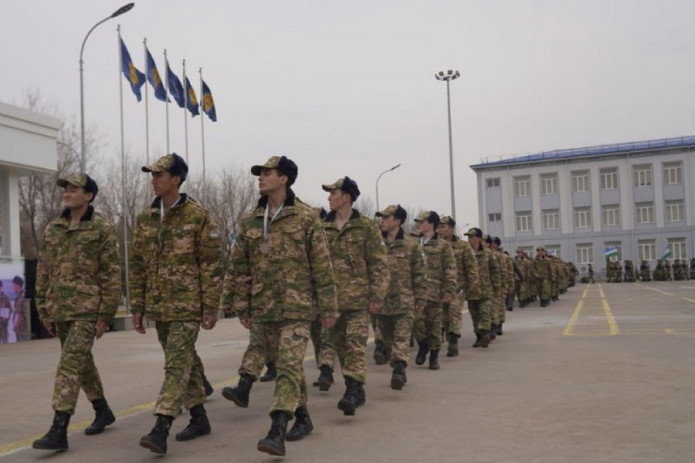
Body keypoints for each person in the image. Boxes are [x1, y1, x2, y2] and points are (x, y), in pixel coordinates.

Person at [222, 155, 338, 456]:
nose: (260, 177)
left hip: (298, 308)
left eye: (267, 172)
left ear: (284, 178)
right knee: (290, 369)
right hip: (264, 308)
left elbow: (322, 265)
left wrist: (328, 307)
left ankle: (276, 429)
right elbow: (239, 266)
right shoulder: (250, 219)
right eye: (259, 173)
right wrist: (239, 305)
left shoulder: (306, 216)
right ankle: (303, 417)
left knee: (287, 368)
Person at [130, 153, 223, 455]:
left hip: (187, 305)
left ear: (177, 179)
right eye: (152, 175)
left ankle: (161, 426)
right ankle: (199, 418)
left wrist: (210, 307)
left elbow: (211, 264)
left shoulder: (198, 216)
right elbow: (137, 265)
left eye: (160, 175)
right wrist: (138, 306)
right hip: (159, 306)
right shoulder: (145, 218)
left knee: (175, 365)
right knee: (186, 362)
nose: (154, 180)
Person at [32, 174, 121, 451]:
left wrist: (106, 315)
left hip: (87, 311)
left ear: (89, 196)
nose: (67, 193)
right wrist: (43, 309)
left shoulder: (102, 228)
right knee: (82, 365)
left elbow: (111, 274)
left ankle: (59, 428)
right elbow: (44, 270)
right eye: (66, 189)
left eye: (74, 189)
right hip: (60, 310)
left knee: (69, 365)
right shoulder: (53, 229)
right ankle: (102, 409)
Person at [317, 176, 389, 415]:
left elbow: (379, 265)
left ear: (346, 197)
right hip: (331, 302)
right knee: (340, 348)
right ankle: (355, 388)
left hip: (359, 301)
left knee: (356, 345)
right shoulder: (322, 228)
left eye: (333, 193)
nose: (329, 197)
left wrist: (377, 296)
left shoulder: (366, 227)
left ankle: (353, 390)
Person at [375, 205, 425, 389]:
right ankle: (396, 363)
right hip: (381, 303)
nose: (382, 221)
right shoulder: (375, 244)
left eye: (386, 218)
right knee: (388, 341)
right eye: (381, 218)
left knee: (402, 338)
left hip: (404, 302)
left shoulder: (410, 245)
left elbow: (419, 273)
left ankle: (399, 369)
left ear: (397, 221)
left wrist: (421, 299)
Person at [413, 211, 457, 369]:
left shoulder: (442, 245)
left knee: (434, 325)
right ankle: (423, 344)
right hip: (415, 292)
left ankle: (434, 355)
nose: (419, 224)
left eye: (422, 222)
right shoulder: (413, 242)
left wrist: (449, 291)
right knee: (415, 321)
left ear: (431, 224)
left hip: (434, 291)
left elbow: (450, 269)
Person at [437, 215, 480, 356]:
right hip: (439, 288)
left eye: (443, 227)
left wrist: (473, 285)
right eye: (439, 227)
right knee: (443, 316)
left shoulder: (463, 246)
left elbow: (472, 267)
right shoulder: (435, 245)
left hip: (458, 287)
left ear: (451, 228)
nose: (440, 230)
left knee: (454, 311)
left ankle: (454, 341)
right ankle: (450, 338)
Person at [464, 228, 497, 348]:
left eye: (472, 237)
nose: (470, 240)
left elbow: (494, 270)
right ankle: (478, 336)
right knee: (475, 316)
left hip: (485, 289)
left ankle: (485, 333)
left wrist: (496, 286)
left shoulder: (488, 253)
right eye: (468, 237)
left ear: (479, 238)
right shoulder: (466, 253)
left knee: (485, 313)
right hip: (471, 290)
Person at [12, 276, 28, 342]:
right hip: (18, 327)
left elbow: (21, 313)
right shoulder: (17, 297)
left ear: (18, 286)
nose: (12, 287)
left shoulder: (22, 297)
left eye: (14, 285)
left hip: (22, 328)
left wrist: (17, 325)